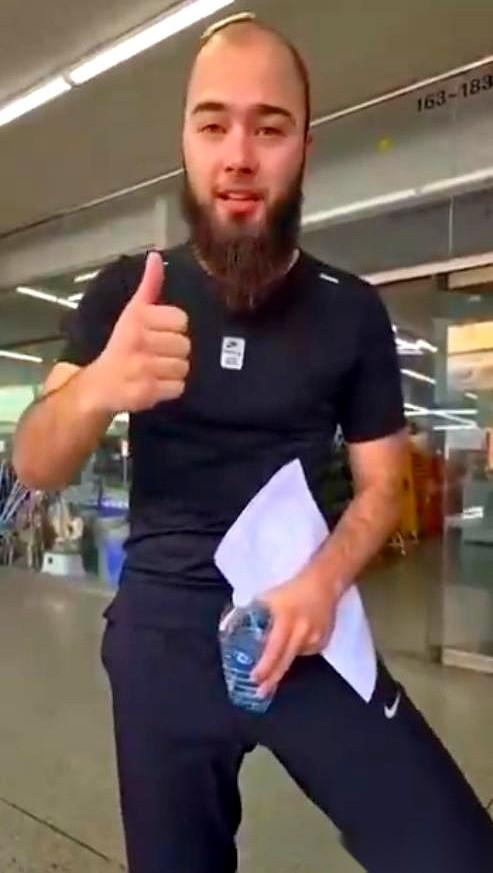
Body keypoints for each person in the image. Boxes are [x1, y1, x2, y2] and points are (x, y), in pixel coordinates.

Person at [13, 14, 493, 873]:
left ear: (303, 147)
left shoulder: (350, 311)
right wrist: (100, 384)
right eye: (213, 125)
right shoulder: (128, 290)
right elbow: (36, 462)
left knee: (455, 851)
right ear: (185, 141)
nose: (238, 155)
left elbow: (383, 485)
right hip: (161, 640)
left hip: (303, 617)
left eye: (268, 128)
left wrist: (322, 582)